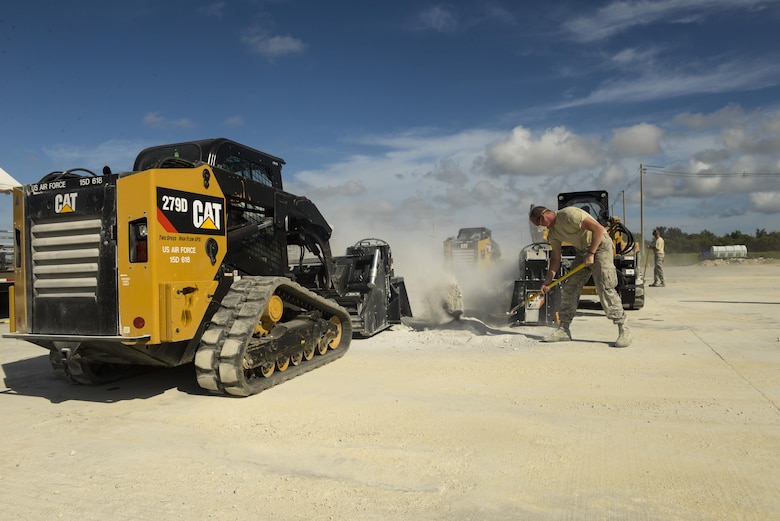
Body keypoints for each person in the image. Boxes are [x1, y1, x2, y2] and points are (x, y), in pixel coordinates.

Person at [528, 205, 631, 348]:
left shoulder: (569, 214)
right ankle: (564, 330)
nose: (542, 228)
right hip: (583, 250)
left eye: (539, 224)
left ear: (544, 217)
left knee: (605, 287)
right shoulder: (553, 233)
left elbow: (598, 229)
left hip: (600, 245)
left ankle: (623, 329)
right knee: (570, 287)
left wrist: (591, 254)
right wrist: (547, 281)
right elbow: (556, 259)